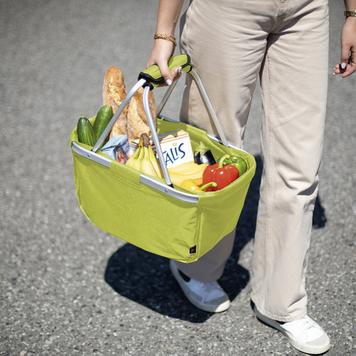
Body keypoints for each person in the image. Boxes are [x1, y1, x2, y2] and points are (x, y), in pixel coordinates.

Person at [147, 0, 356, 354]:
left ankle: (282, 302)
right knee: (213, 150)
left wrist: (353, 14)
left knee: (300, 161)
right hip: (227, 8)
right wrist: (164, 32)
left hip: (306, 10)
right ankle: (195, 267)